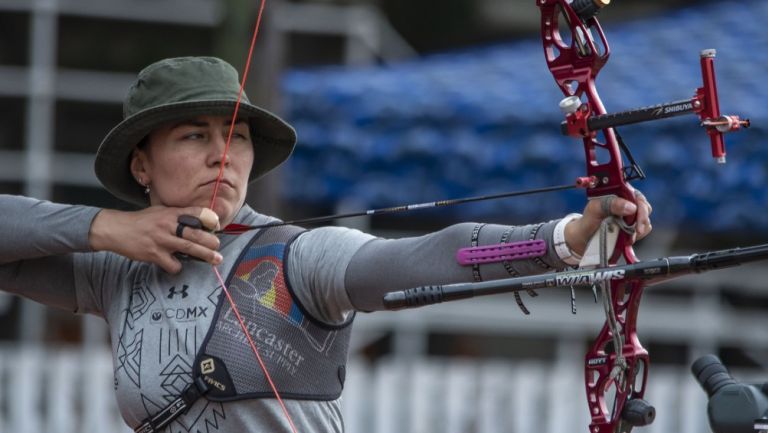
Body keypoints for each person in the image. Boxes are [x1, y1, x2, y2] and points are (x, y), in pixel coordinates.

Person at [0, 57, 652, 433]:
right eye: (193, 136)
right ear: (142, 165)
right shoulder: (113, 271)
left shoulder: (296, 256)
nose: (222, 153)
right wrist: (107, 229)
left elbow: (414, 260)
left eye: (237, 136)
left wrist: (564, 238)